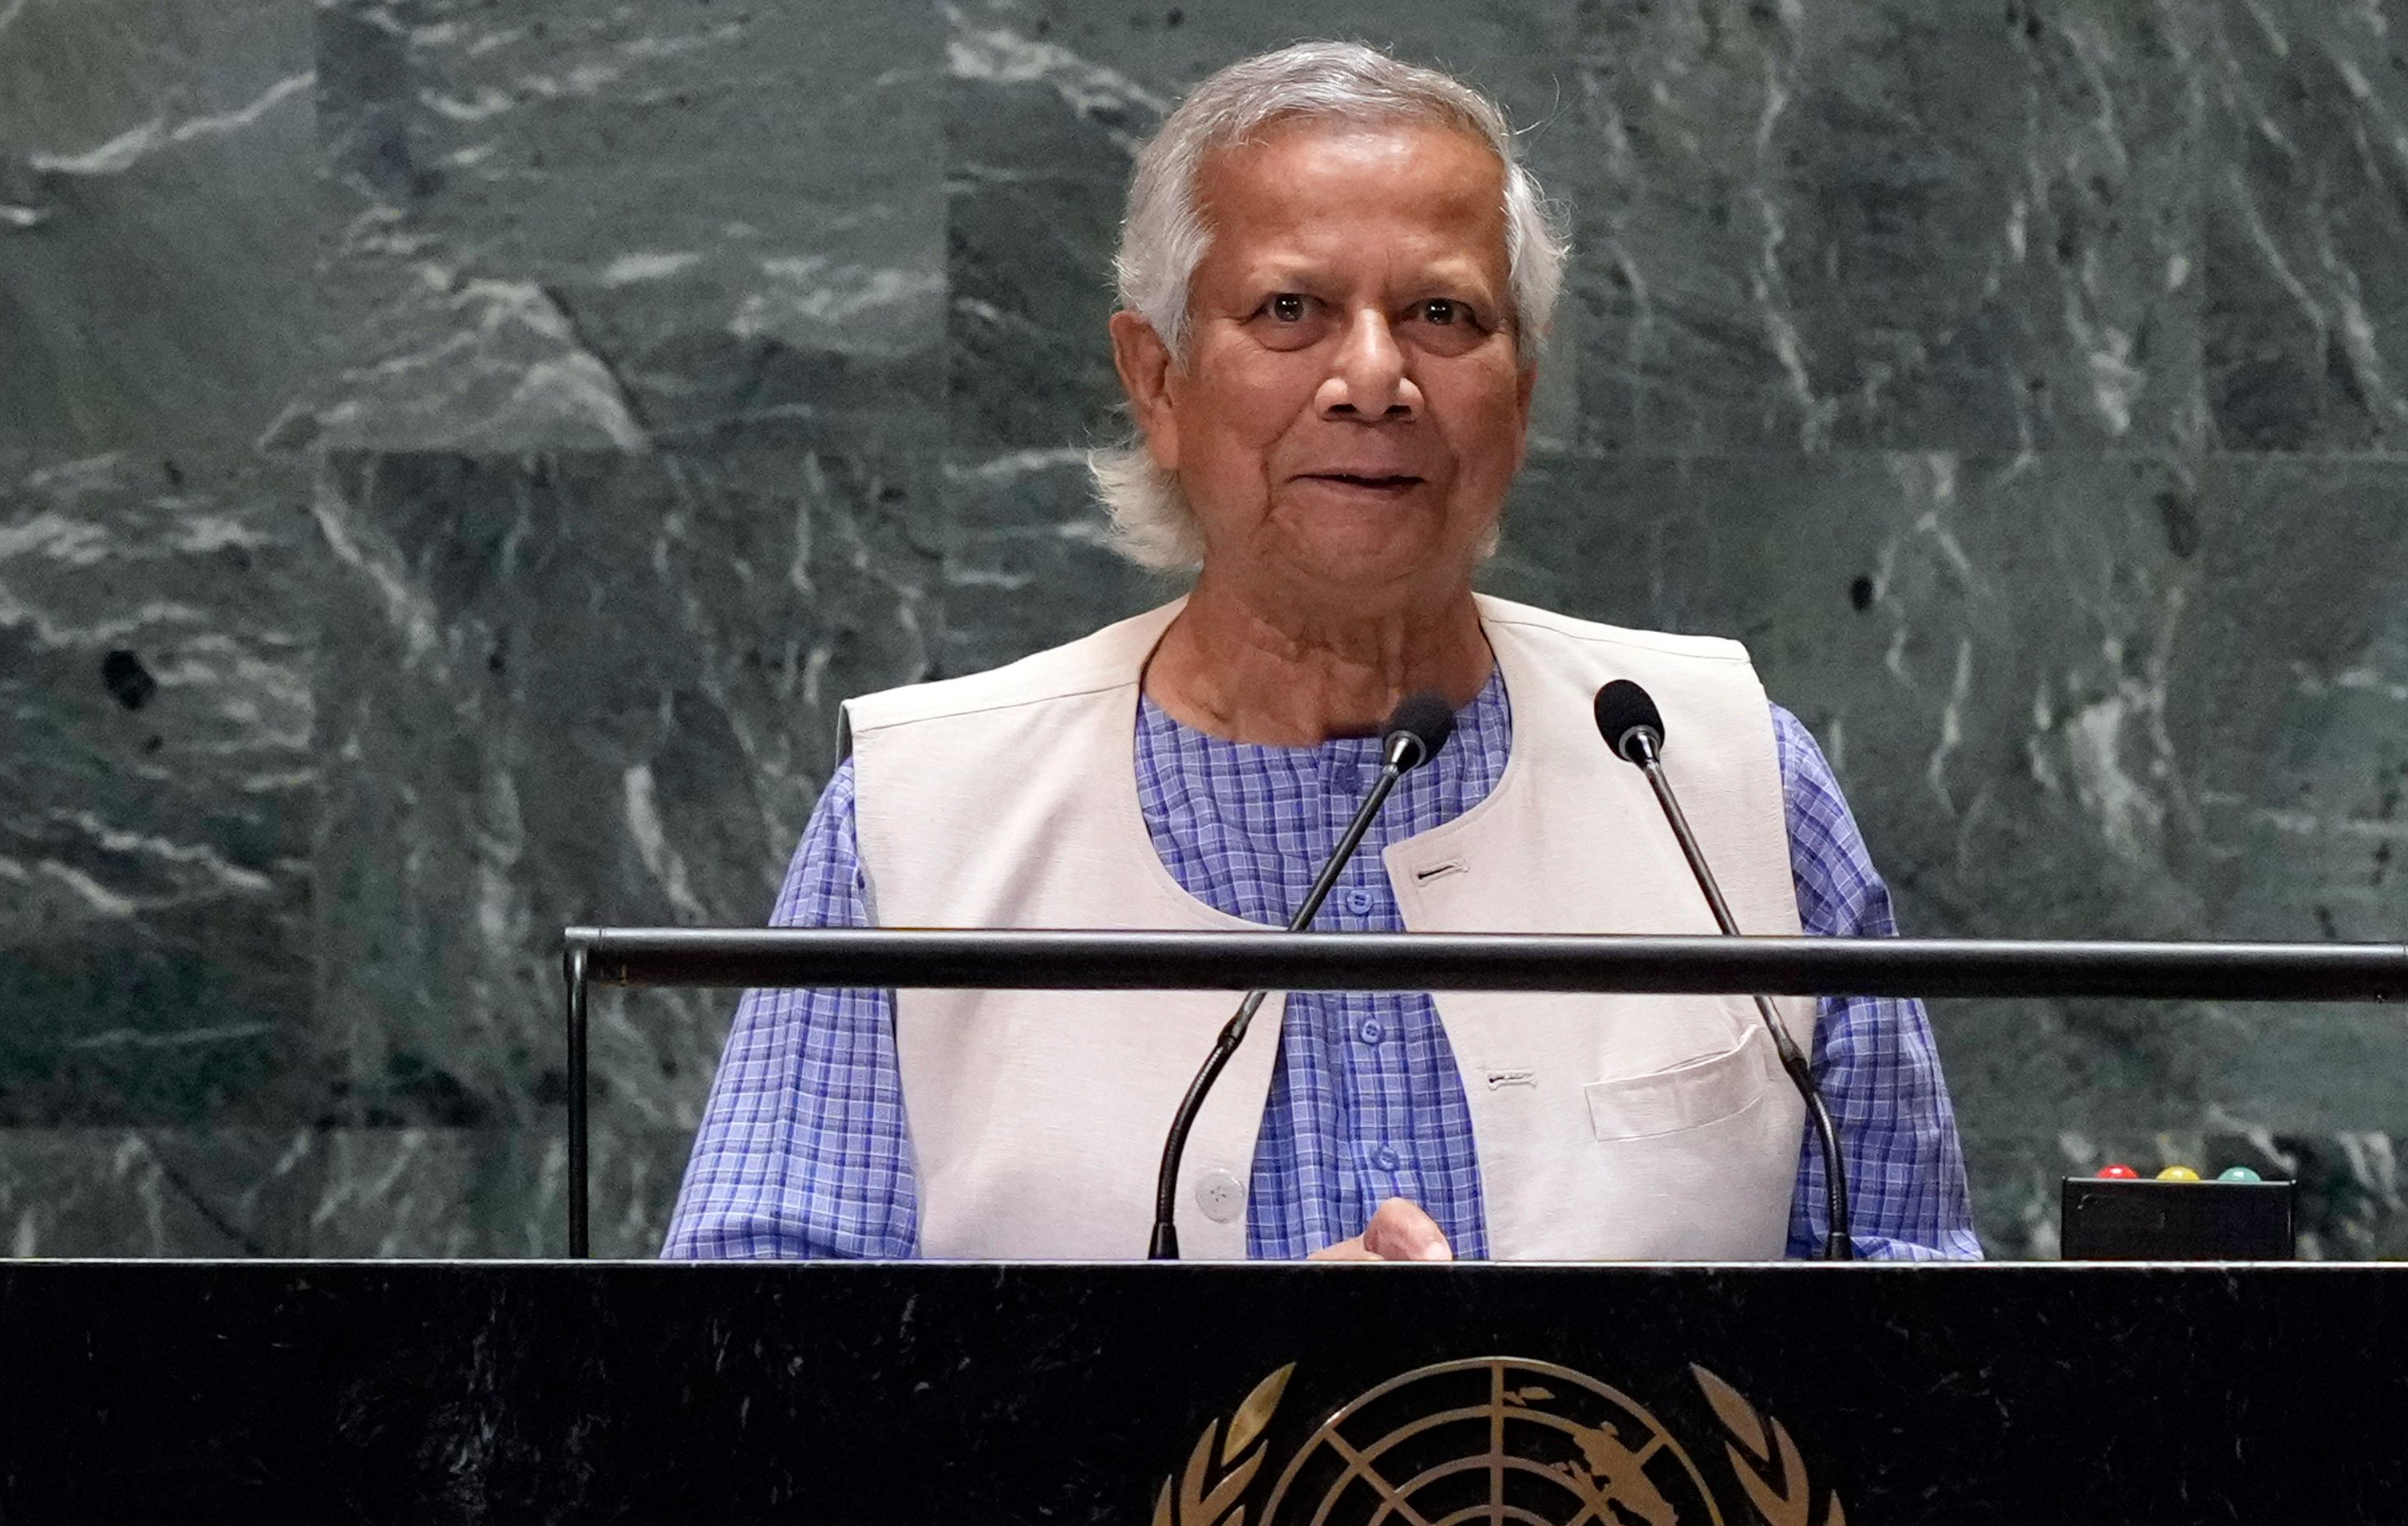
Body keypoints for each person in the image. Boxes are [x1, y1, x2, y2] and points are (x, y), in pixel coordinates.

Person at [664, 41, 1976, 1264]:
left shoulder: (1713, 777)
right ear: (1159, 381)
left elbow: (1926, 1334)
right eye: (1289, 309)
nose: (1373, 377)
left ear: (1519, 394)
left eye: (1445, 318)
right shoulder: (922, 824)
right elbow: (750, 1376)